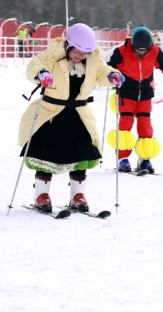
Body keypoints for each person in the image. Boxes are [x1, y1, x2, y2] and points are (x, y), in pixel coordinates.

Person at [18, 23, 124, 213]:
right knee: (45, 152)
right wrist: (41, 74)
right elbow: (34, 65)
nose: (80, 56)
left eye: (85, 53)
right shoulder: (53, 54)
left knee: (82, 153)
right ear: (68, 45)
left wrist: (113, 75)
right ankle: (41, 195)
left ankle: (78, 195)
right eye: (77, 51)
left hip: (78, 115)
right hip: (51, 113)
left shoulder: (92, 60)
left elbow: (103, 72)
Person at [108, 26, 163, 173]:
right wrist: (112, 76)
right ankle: (122, 159)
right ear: (133, 45)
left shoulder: (154, 51)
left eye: (144, 49)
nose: (142, 52)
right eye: (138, 50)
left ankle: (144, 159)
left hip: (145, 93)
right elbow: (109, 68)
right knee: (125, 125)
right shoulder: (121, 51)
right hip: (127, 93)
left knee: (145, 127)